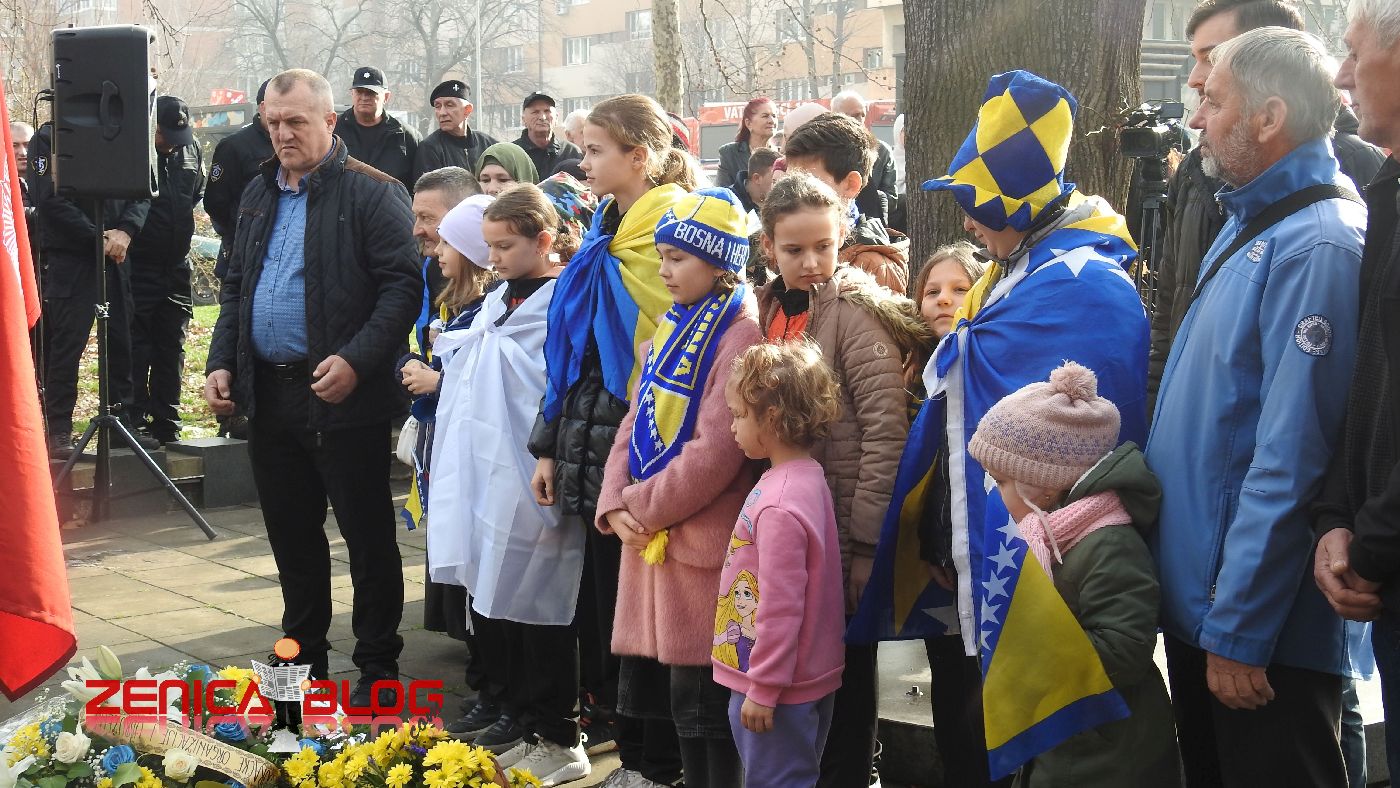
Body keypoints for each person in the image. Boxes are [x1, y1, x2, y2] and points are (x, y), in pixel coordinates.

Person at [854, 69, 1150, 783]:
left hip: (1057, 558)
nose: (965, 224)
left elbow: (1081, 441)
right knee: (972, 722)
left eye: (974, 205)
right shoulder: (1011, 271)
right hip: (980, 544)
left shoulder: (1085, 285)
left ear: (1014, 203)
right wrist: (942, 536)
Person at [1146, 27, 1368, 788]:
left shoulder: (1317, 246)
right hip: (1208, 611)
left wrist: (1239, 625)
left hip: (1256, 630)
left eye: (1214, 101)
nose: (1196, 119)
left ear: (1269, 118)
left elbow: (1292, 455)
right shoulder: (1253, 224)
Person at [203, 69, 421, 702]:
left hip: (343, 396)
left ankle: (378, 669)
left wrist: (355, 360)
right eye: (271, 122)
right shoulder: (257, 190)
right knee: (292, 540)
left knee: (367, 538)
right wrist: (223, 362)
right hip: (269, 396)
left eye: (295, 121)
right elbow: (236, 286)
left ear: (330, 121)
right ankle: (302, 669)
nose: (282, 134)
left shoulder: (374, 192)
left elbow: (402, 288)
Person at [526, 93, 696, 788]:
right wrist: (548, 445)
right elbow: (574, 356)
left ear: (640, 156)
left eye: (596, 150)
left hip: (649, 451)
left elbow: (675, 357)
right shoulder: (604, 229)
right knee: (610, 618)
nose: (584, 162)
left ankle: (661, 763)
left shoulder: (674, 230)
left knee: (653, 619)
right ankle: (632, 756)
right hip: (591, 445)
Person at [756, 172, 927, 788]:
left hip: (841, 526)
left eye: (824, 246)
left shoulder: (853, 315)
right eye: (794, 249)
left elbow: (885, 432)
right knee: (807, 666)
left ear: (842, 238)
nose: (811, 262)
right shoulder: (772, 307)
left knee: (848, 674)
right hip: (791, 521)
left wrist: (864, 545)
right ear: (768, 246)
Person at [422, 184, 591, 784]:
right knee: (496, 597)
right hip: (487, 476)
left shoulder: (561, 299)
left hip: (531, 473)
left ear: (544, 241)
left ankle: (559, 731)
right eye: (488, 246)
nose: (491, 258)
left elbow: (558, 383)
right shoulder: (498, 299)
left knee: (541, 603)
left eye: (503, 247)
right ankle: (523, 719)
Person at [595, 188, 762, 788]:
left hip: (697, 544)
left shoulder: (739, 335)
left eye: (677, 258)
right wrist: (613, 500)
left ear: (719, 264)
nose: (663, 270)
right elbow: (634, 419)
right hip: (656, 539)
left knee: (708, 715)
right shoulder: (672, 324)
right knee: (681, 710)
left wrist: (638, 507)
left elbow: (717, 450)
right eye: (661, 255)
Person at [1147, 0, 1386, 410]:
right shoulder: (1201, 172)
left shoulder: (1345, 189)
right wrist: (1157, 411)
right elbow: (1170, 309)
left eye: (1213, 57)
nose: (1195, 78)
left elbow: (1302, 414)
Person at [967, 362, 1179, 787]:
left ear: (1045, 485)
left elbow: (1126, 649)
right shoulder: (1047, 535)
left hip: (1103, 754)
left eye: (1001, 481)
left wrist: (1030, 657)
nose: (992, 492)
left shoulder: (1108, 543)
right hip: (1066, 740)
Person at [1314, 2, 1400, 783]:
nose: (1342, 74)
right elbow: (1370, 385)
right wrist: (1340, 516)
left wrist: (1371, 543)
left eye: (1353, 51)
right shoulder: (1389, 193)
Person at [713, 340, 846, 788]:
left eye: (738, 415)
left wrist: (764, 688)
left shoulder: (780, 502)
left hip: (775, 687)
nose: (732, 426)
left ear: (770, 418)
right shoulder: (805, 478)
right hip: (800, 677)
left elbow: (781, 606)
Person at [28, 120, 152, 459]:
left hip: (117, 254)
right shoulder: (48, 138)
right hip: (73, 257)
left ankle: (121, 422)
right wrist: (96, 236)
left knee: (121, 342)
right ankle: (59, 430)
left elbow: (144, 189)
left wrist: (126, 230)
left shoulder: (125, 132)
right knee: (66, 347)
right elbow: (48, 198)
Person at [401, 167, 481, 642]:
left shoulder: (495, 293)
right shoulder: (435, 269)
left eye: (428, 219)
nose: (418, 230)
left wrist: (440, 380)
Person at [128, 96, 204, 446]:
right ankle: (133, 419)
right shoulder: (135, 153)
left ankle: (167, 421)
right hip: (138, 266)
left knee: (172, 347)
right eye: (166, 137)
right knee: (137, 346)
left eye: (179, 137)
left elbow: (195, 194)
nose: (173, 145)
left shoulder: (190, 150)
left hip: (176, 266)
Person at [782, 111, 910, 294]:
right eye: (790, 181)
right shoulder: (786, 241)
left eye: (808, 183)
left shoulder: (873, 267)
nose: (793, 193)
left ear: (851, 185)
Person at [207, 79, 275, 281]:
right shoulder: (235, 146)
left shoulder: (292, 141)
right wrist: (240, 230)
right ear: (262, 107)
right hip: (241, 248)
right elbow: (215, 202)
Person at [334, 65, 421, 191]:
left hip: (391, 202)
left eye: (371, 93)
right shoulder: (333, 131)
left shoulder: (405, 136)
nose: (364, 97)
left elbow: (418, 186)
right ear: (352, 94)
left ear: (386, 97)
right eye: (359, 91)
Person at [412, 80, 499, 186]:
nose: (442, 113)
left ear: (467, 110)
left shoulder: (489, 146)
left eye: (449, 105)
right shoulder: (430, 149)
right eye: (437, 106)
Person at [831, 90, 897, 226]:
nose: (860, 121)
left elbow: (891, 198)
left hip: (870, 226)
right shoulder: (824, 150)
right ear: (835, 117)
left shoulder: (882, 151)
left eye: (862, 115)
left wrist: (870, 197)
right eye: (854, 116)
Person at [516, 92, 583, 180]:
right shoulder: (513, 153)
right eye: (535, 112)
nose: (542, 117)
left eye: (547, 111)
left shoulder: (570, 152)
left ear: (556, 118)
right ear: (523, 119)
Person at [716, 97, 777, 190]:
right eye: (765, 116)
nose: (772, 121)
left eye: (774, 116)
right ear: (748, 123)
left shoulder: (781, 156)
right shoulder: (730, 153)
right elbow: (722, 191)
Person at [730, 147, 779, 220]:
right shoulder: (729, 202)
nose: (780, 184)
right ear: (757, 178)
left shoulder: (782, 204)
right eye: (774, 179)